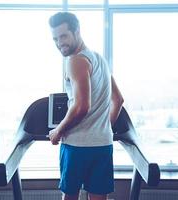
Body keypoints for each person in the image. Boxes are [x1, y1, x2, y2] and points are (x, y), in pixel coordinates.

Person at [48, 12, 124, 200]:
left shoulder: (75, 61)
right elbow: (118, 100)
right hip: (102, 144)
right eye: (55, 38)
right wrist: (103, 128)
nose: (59, 43)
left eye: (64, 36)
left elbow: (82, 106)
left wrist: (58, 130)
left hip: (77, 146)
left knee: (70, 196)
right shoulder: (100, 59)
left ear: (77, 31)